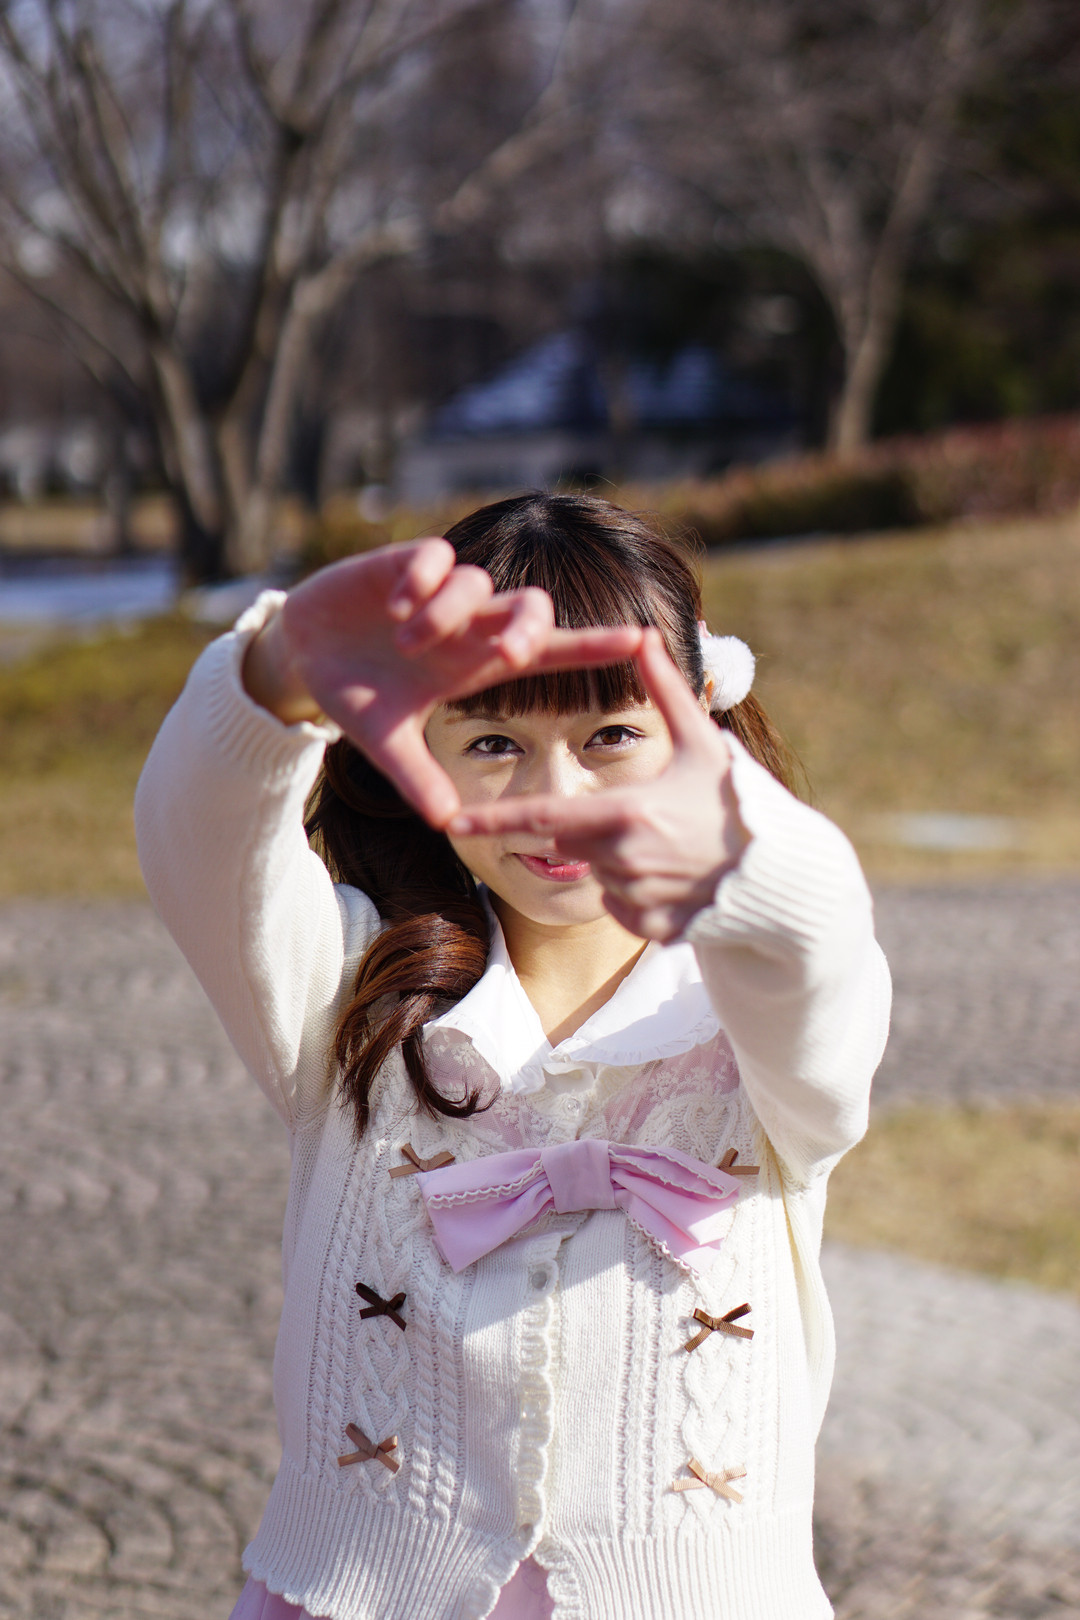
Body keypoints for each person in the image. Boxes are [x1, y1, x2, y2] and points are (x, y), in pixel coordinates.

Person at [135, 492, 890, 1620]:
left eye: (613, 736)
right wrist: (278, 673)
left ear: (701, 724)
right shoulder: (351, 997)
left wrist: (737, 836)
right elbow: (201, 844)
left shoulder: (755, 1026)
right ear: (415, 752)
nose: (556, 798)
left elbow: (818, 943)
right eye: (493, 742)